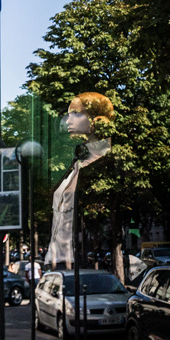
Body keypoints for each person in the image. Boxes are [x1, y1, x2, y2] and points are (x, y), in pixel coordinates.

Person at [44, 92, 114, 269]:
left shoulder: (102, 159)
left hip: (75, 264)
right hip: (62, 261)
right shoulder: (78, 161)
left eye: (76, 113)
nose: (68, 120)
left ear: (96, 119)